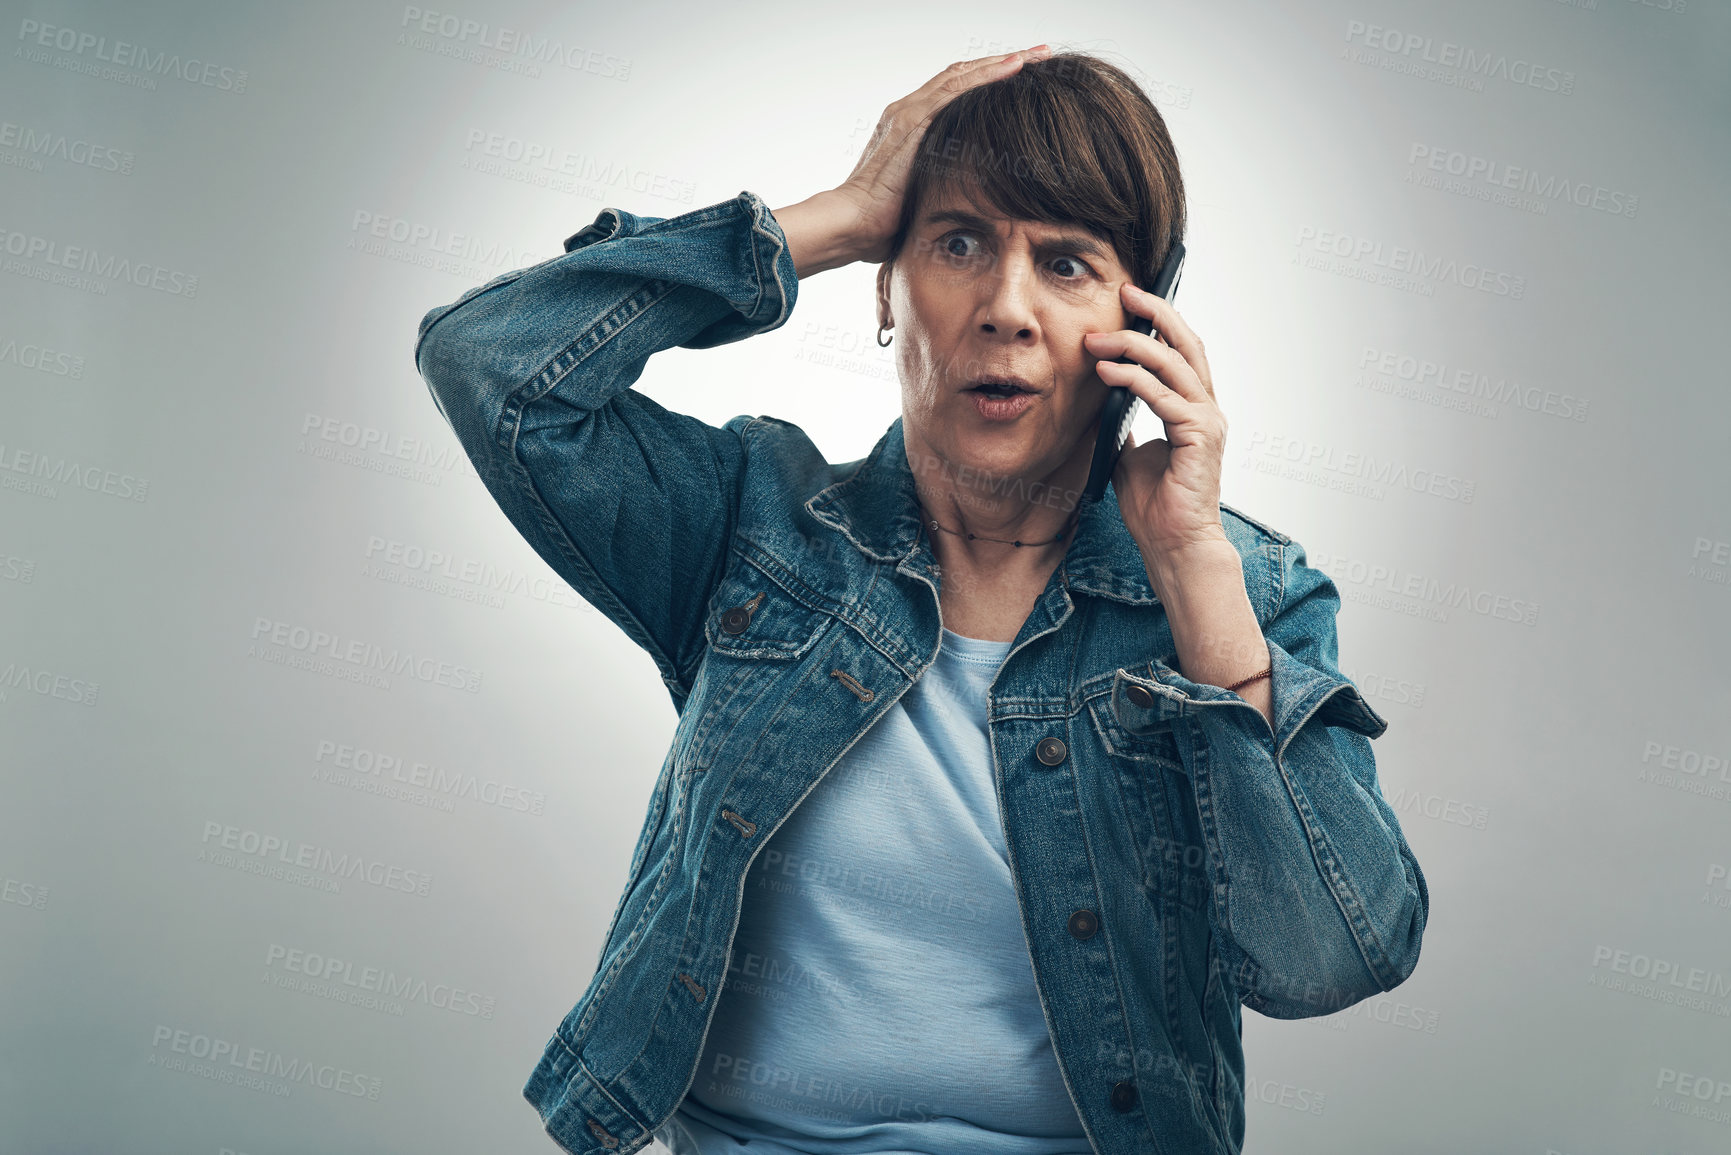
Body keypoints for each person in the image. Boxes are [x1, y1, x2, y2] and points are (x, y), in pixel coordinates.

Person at [415, 44, 1428, 1155]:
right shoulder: (751, 527)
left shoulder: (1247, 595)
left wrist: (1192, 573)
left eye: (1070, 263)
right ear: (891, 295)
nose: (1006, 307)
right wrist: (838, 219)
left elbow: (1331, 958)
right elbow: (489, 364)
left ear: (1139, 326)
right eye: (957, 244)